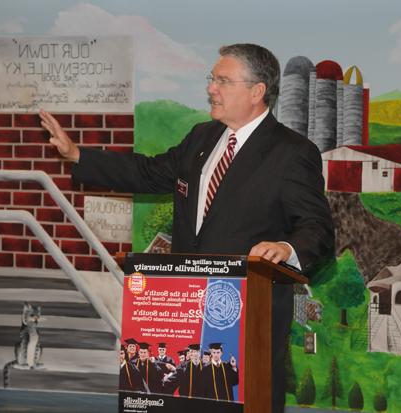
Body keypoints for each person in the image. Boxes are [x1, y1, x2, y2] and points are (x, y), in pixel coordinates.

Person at [40, 43, 334, 413]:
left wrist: (286, 249)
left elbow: (317, 228)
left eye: (223, 80)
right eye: (212, 79)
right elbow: (148, 173)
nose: (212, 88)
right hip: (181, 311)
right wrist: (77, 155)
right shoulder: (201, 138)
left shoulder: (292, 152)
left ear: (257, 91)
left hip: (246, 319)